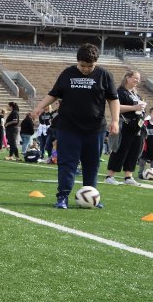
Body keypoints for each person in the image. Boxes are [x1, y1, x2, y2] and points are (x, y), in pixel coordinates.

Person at [30, 43, 119, 209]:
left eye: (90, 66)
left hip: (95, 129)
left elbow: (113, 99)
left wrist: (114, 121)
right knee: (67, 163)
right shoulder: (68, 73)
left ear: (96, 63)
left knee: (92, 164)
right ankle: (62, 196)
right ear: (77, 61)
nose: (85, 69)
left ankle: (91, 195)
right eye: (82, 66)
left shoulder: (104, 75)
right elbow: (53, 94)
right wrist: (39, 108)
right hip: (69, 127)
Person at [105, 70, 147, 186]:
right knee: (120, 149)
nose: (137, 81)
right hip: (125, 125)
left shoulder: (135, 93)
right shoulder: (120, 92)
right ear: (127, 78)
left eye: (138, 79)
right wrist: (134, 107)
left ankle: (128, 176)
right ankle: (110, 175)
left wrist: (140, 109)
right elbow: (116, 107)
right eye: (135, 78)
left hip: (137, 126)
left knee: (134, 151)